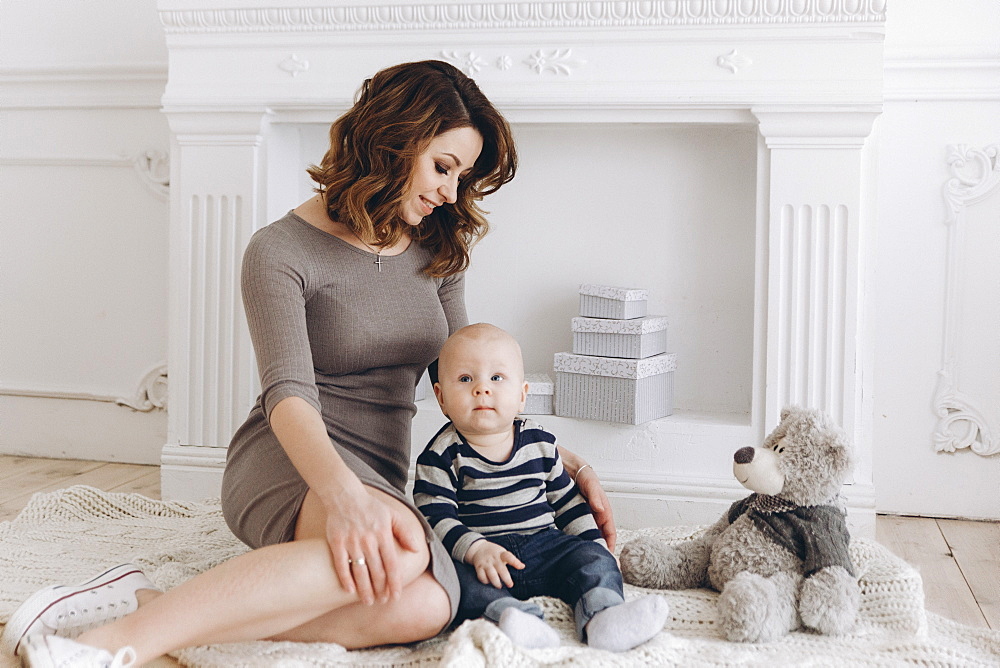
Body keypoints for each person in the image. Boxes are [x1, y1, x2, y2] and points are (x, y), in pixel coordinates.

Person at [1, 60, 616, 667]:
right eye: (443, 167)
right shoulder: (279, 250)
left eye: (462, 177)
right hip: (289, 456)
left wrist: (558, 455)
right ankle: (103, 646)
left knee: (428, 605)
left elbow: (469, 378)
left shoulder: (438, 250)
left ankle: (151, 604)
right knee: (402, 551)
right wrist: (342, 494)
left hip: (375, 467)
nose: (449, 193)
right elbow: (286, 392)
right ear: (393, 141)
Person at [415, 323, 669, 652]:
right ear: (441, 398)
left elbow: (567, 503)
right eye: (465, 379)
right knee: (453, 582)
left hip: (545, 546)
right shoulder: (440, 455)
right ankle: (512, 619)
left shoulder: (539, 442)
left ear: (522, 395)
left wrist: (594, 544)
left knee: (593, 558)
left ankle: (603, 615)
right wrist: (475, 549)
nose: (482, 389)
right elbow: (434, 519)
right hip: (483, 558)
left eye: (496, 378)